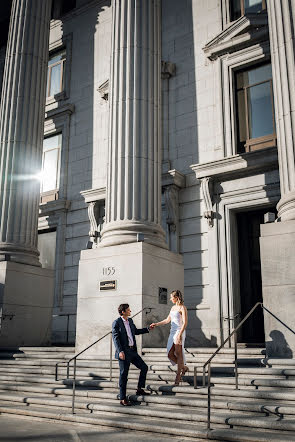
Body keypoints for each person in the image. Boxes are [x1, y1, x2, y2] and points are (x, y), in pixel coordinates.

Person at [112, 303, 151, 406]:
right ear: (123, 312)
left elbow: (136, 331)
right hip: (124, 352)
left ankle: (139, 389)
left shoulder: (130, 321)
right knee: (124, 375)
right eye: (128, 310)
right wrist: (120, 351)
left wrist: (147, 329)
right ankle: (123, 398)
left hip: (132, 351)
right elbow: (115, 339)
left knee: (144, 367)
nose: (130, 311)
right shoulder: (117, 323)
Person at [150, 290, 188, 385]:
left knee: (179, 354)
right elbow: (167, 320)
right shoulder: (172, 308)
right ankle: (184, 367)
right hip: (172, 332)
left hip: (179, 331)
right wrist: (156, 324)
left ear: (176, 298)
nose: (170, 299)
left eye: (172, 297)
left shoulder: (182, 307)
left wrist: (180, 334)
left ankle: (178, 377)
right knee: (170, 354)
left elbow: (185, 323)